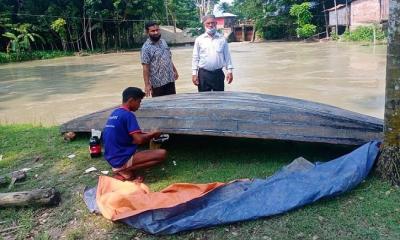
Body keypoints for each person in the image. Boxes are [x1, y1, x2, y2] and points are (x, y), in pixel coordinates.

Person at [102, 87, 167, 180]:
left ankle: (123, 167)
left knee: (145, 149)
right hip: (120, 158)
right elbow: (139, 140)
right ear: (131, 100)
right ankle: (122, 169)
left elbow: (129, 134)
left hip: (111, 157)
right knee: (162, 154)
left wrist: (147, 134)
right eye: (139, 102)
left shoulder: (115, 112)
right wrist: (153, 134)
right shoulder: (129, 115)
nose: (139, 105)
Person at [192, 14, 234, 92]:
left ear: (216, 23)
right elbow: (195, 57)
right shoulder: (199, 39)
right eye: (208, 23)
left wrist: (230, 71)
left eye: (213, 23)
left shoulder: (222, 39)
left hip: (218, 74)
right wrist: (194, 73)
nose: (211, 25)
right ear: (204, 24)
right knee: (204, 100)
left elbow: (227, 56)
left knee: (219, 99)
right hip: (203, 74)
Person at [141, 21, 179, 97]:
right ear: (147, 32)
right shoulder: (145, 48)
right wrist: (147, 85)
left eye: (157, 30)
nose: (156, 32)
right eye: (153, 31)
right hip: (157, 84)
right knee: (160, 105)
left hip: (170, 80)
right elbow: (145, 68)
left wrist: (175, 70)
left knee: (172, 103)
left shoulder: (163, 42)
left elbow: (168, 58)